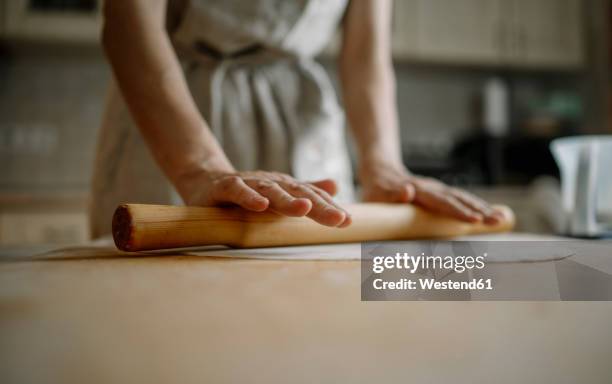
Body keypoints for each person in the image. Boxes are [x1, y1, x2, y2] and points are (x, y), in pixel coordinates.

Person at [91, 0, 504, 238]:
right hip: (174, 122)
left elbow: (365, 53)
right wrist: (200, 170)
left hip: (301, 122)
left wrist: (383, 166)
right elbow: (130, 24)